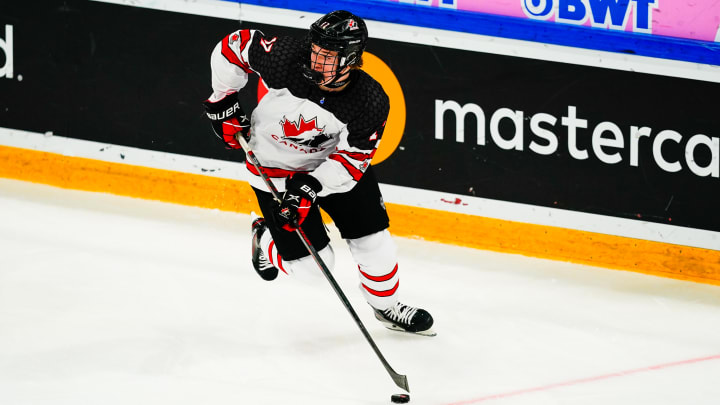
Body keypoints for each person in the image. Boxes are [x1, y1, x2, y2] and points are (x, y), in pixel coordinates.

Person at [203, 10, 434, 335]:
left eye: (327, 56)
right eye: (315, 50)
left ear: (350, 59)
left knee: (374, 242)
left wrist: (311, 186)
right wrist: (223, 98)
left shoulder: (368, 101)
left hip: (334, 166)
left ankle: (386, 306)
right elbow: (233, 47)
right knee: (313, 270)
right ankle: (267, 238)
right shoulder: (285, 58)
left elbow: (354, 159)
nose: (315, 60)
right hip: (275, 166)